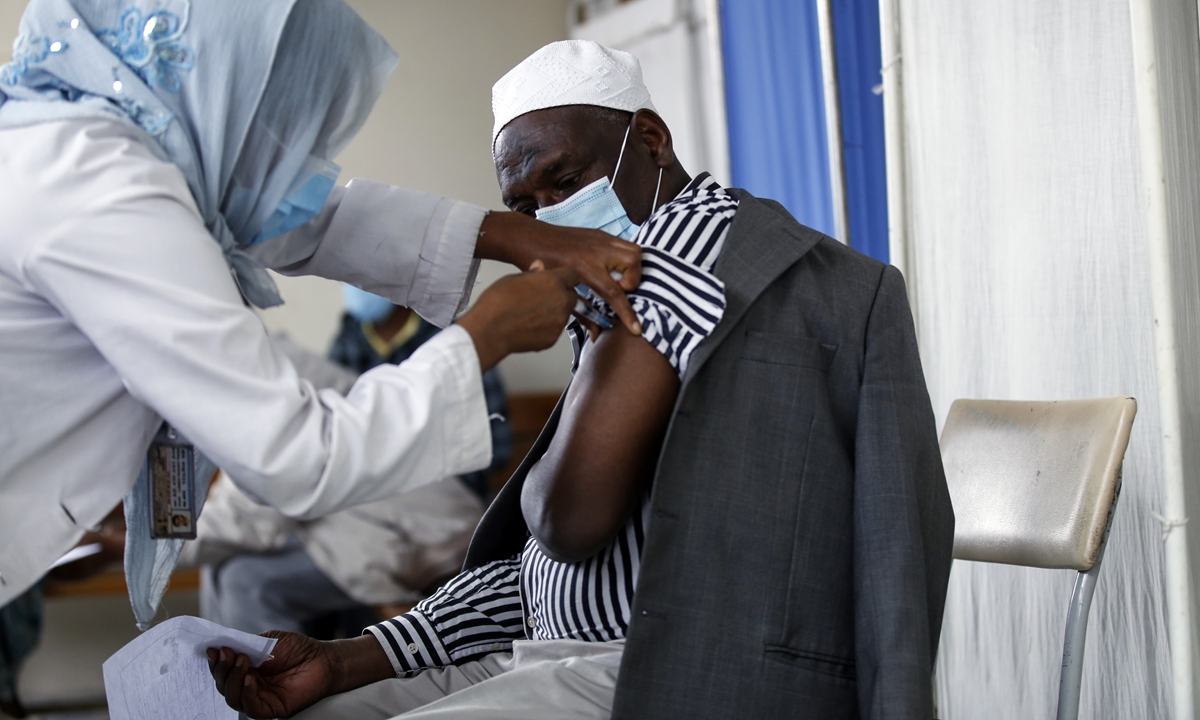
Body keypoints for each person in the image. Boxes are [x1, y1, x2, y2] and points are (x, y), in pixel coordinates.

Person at [207, 41, 954, 720]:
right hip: (541, 650)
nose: (551, 219)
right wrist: (348, 659)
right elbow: (541, 575)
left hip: (662, 673)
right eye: (524, 207)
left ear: (651, 139)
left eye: (565, 181)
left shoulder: (692, 270)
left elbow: (566, 521)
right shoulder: (603, 292)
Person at [0, 0, 645, 622]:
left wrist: (507, 233)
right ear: (210, 82)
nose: (277, 157)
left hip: (433, 532)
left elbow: (301, 218)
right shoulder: (99, 186)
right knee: (249, 580)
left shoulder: (92, 147)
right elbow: (296, 457)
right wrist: (487, 330)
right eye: (263, 119)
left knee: (253, 580)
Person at [183, 289, 513, 638]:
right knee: (223, 567)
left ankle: (278, 674)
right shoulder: (289, 360)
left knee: (246, 582)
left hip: (424, 524)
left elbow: (255, 515)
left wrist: (159, 546)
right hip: (371, 514)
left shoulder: (270, 382)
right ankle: (237, 674)